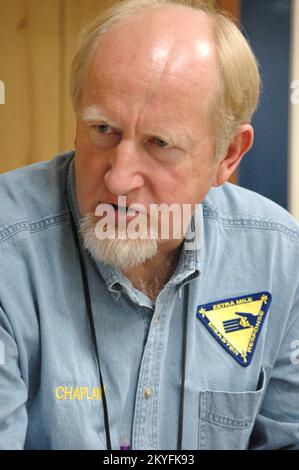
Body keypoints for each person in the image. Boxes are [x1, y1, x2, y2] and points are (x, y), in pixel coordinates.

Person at [0, 0, 298, 450]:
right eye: (103, 129)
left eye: (160, 143)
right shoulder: (8, 246)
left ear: (229, 154)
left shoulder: (278, 255)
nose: (118, 178)